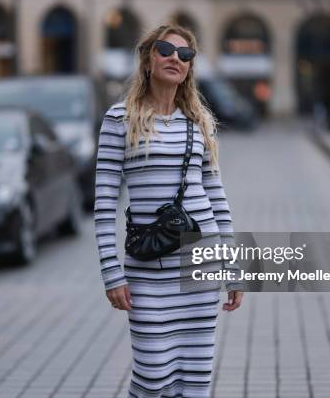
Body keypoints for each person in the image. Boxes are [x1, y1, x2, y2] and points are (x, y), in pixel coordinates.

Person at [93, 24, 244, 398]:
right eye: (165, 50)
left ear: (190, 68)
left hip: (201, 270)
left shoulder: (199, 123)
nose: (175, 58)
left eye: (185, 54)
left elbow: (216, 199)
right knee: (153, 378)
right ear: (148, 59)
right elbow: (104, 202)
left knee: (195, 380)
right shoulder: (118, 120)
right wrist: (112, 274)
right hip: (148, 273)